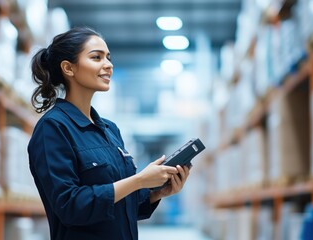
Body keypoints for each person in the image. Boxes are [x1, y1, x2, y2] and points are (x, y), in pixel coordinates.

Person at [27, 26, 191, 240]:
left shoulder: (110, 130)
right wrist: (139, 180)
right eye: (96, 57)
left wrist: (158, 192)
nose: (109, 65)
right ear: (69, 68)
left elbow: (123, 207)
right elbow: (70, 206)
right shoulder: (53, 128)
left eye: (109, 58)